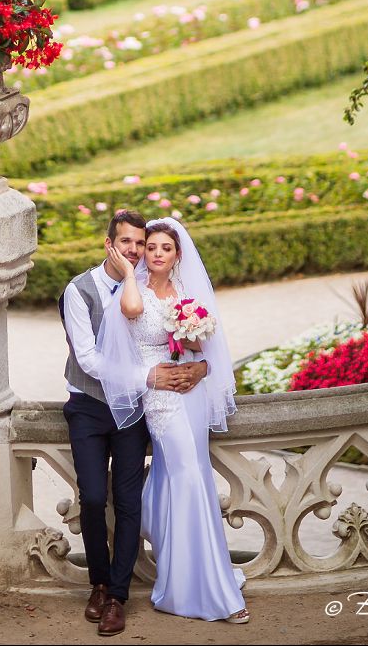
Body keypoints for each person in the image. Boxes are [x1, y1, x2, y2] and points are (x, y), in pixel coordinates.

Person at [59, 209, 209, 638]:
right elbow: (88, 359)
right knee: (92, 497)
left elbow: (175, 340)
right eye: (126, 241)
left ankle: (117, 597)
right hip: (90, 407)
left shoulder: (149, 285)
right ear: (110, 243)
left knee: (128, 501)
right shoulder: (79, 290)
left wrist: (200, 368)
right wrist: (148, 376)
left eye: (140, 243)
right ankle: (98, 583)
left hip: (135, 410)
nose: (135, 250)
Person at [98, 218, 249, 625]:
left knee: (187, 478)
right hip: (160, 394)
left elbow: (201, 348)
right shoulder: (135, 290)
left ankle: (189, 577)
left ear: (178, 254)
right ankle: (206, 591)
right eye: (151, 247)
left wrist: (196, 352)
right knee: (188, 479)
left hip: (189, 392)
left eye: (166, 248)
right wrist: (128, 270)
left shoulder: (186, 292)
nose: (157, 254)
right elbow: (131, 311)